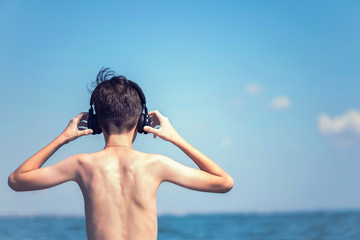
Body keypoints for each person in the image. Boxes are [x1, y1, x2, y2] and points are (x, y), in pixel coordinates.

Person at [8, 68, 234, 240]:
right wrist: (175, 138)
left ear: (96, 123)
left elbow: (17, 180)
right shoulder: (156, 164)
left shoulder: (82, 164)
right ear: (141, 121)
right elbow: (224, 182)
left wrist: (63, 138)